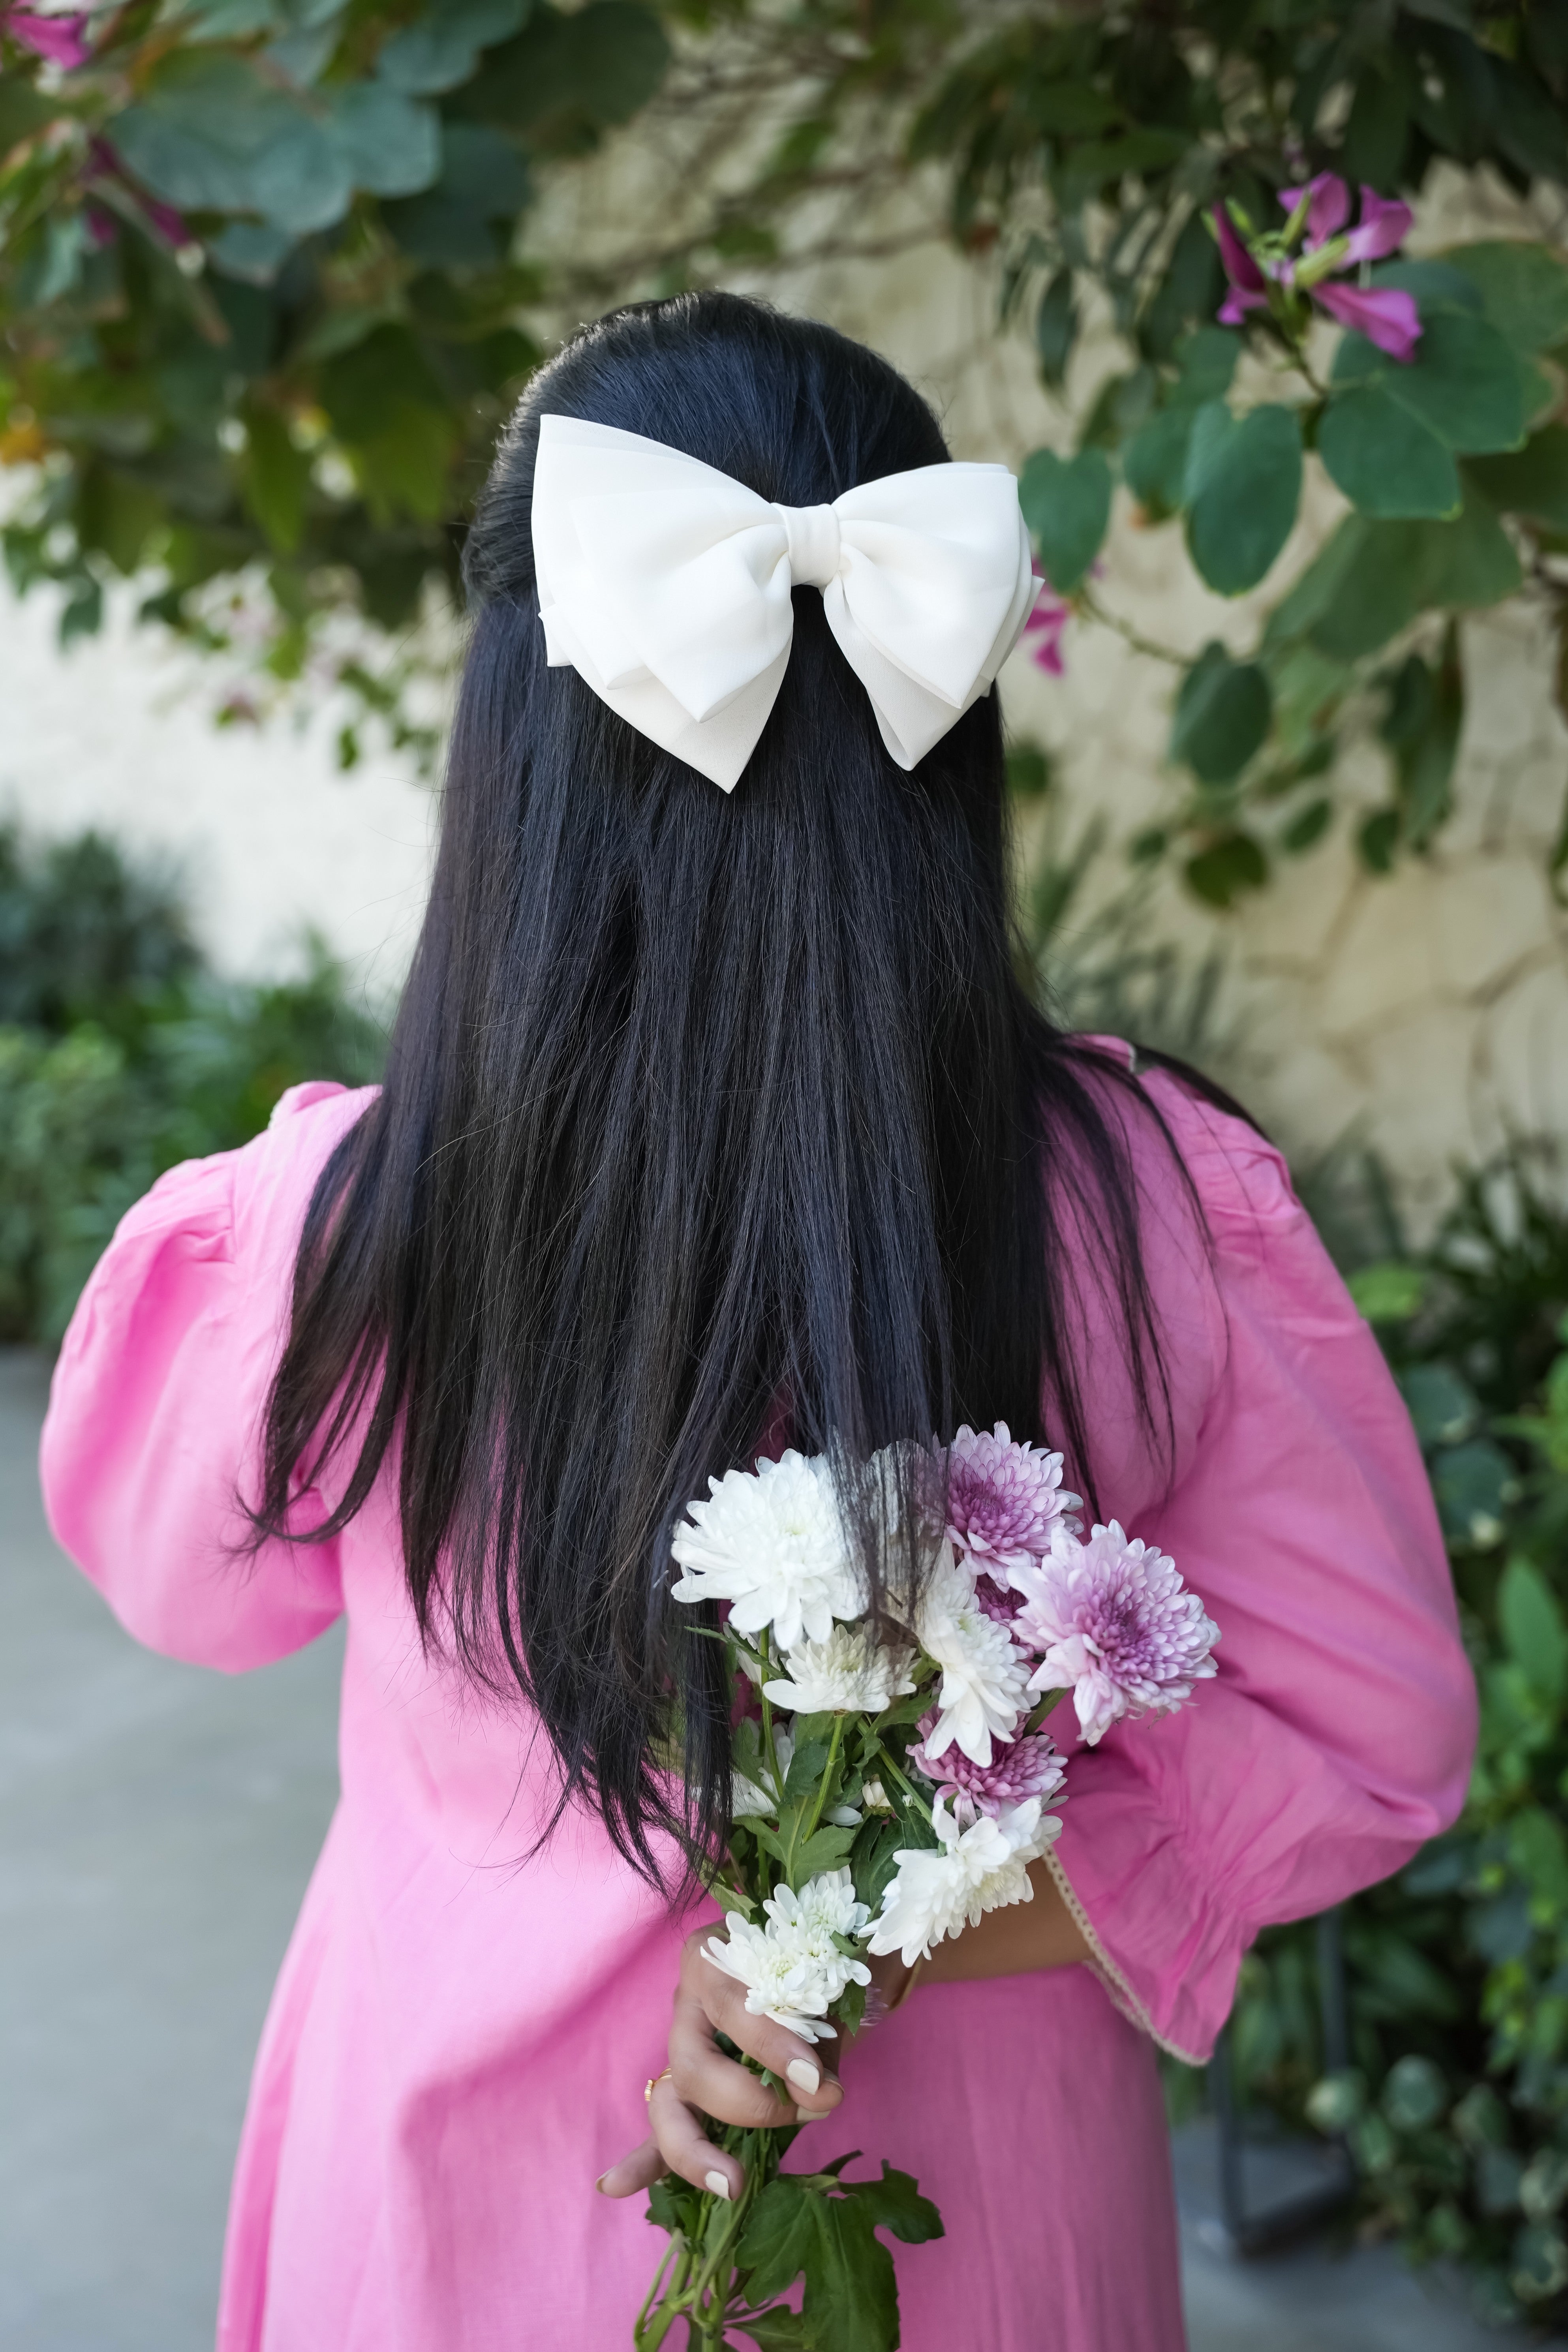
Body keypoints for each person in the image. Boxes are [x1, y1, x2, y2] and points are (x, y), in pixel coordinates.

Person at [40, 292, 1476, 2352]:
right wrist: (894, 1934)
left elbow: (182, 1580)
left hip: (457, 2229)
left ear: (513, 755)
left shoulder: (344, 1234)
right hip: (968, 2234)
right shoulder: (1140, 1204)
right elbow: (1372, 1729)